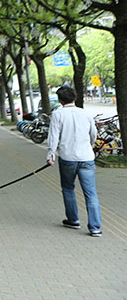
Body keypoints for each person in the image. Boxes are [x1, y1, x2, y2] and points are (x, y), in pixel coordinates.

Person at [45, 86, 102, 237]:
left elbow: (53, 136)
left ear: (60, 99)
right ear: (75, 98)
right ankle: (95, 227)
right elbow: (93, 134)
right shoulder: (85, 114)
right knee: (91, 193)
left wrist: (51, 155)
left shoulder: (58, 114)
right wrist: (88, 146)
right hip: (87, 158)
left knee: (68, 188)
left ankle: (73, 219)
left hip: (68, 157)